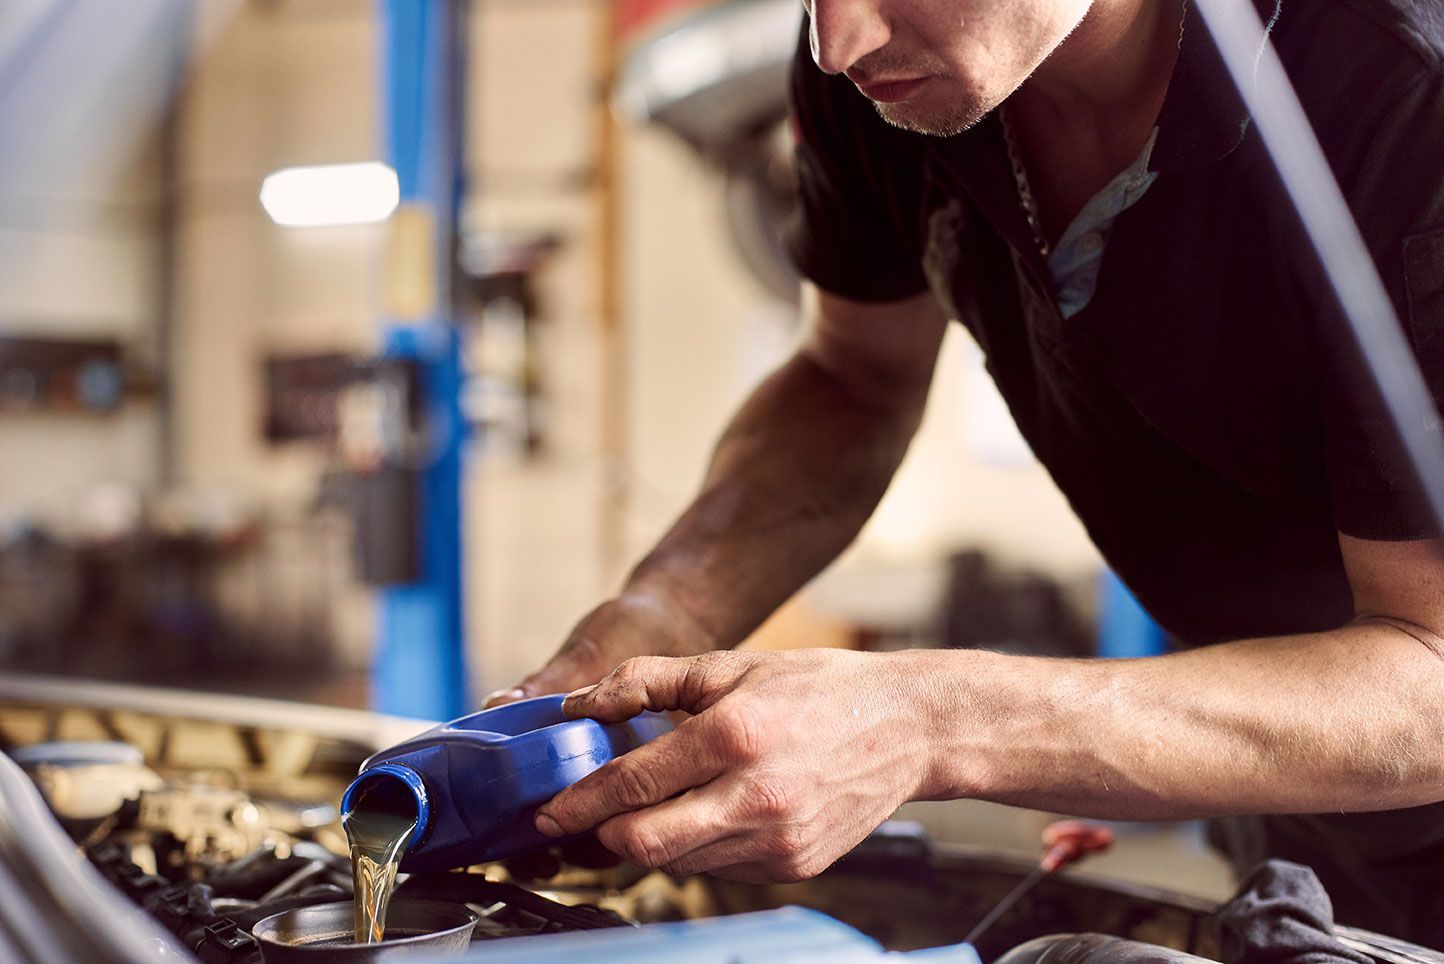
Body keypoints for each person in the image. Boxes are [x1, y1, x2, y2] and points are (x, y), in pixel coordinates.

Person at [492, 0, 1444, 943]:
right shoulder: (892, 72)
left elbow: (1431, 681)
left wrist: (933, 723)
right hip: (1293, 800)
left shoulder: (1407, 101)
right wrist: (655, 622)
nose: (837, 45)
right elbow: (852, 377)